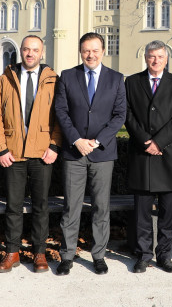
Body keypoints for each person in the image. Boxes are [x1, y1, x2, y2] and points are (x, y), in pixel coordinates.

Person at [53, 31, 127, 275]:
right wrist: (76, 140)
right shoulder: (67, 76)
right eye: (86, 50)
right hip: (74, 154)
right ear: (80, 52)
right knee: (71, 207)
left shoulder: (116, 79)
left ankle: (99, 256)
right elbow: (61, 112)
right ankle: (67, 255)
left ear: (103, 51)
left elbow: (119, 115)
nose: (91, 54)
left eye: (95, 50)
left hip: (102, 153)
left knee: (100, 207)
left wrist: (97, 141)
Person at [0, 35, 62, 274]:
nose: (30, 54)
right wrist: (0, 148)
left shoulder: (53, 80)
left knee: (41, 205)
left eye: (35, 50)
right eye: (26, 49)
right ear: (20, 51)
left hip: (42, 153)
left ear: (42, 53)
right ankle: (12, 251)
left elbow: (61, 116)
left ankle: (39, 252)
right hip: (13, 152)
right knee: (13, 205)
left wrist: (54, 146)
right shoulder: (6, 78)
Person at [124, 40, 172, 274]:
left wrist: (159, 142)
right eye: (152, 56)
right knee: (142, 211)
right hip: (142, 155)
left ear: (166, 58)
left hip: (168, 155)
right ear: (145, 57)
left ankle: (164, 255)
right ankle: (143, 255)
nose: (155, 60)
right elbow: (128, 114)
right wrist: (146, 142)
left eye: (160, 57)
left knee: (167, 213)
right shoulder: (131, 82)